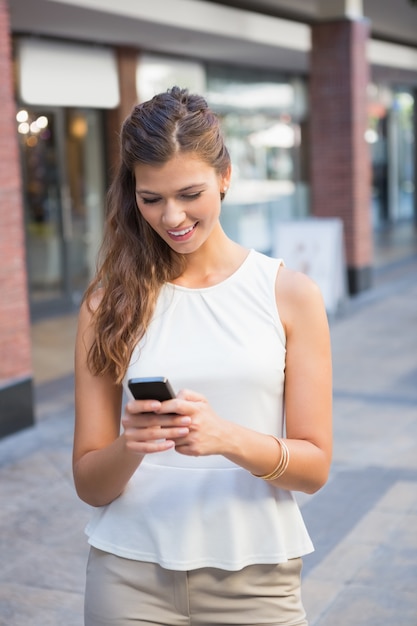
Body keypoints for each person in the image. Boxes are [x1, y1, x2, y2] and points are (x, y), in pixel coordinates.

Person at [73, 86, 332, 626]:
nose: (172, 217)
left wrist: (226, 438)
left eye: (189, 193)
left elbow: (314, 468)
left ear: (225, 176)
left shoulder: (289, 295)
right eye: (151, 198)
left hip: (256, 580)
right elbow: (89, 484)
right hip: (128, 576)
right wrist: (131, 445)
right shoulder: (106, 304)